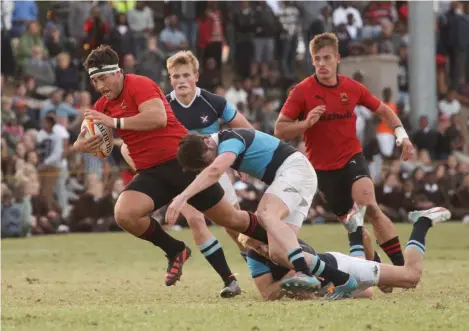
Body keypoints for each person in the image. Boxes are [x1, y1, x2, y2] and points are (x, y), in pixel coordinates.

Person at [73, 45, 268, 289]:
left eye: (103, 78)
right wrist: (83, 145)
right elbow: (80, 139)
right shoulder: (102, 105)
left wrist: (113, 122)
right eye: (94, 80)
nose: (100, 86)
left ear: (118, 72)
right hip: (151, 173)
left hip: (182, 164)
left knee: (232, 220)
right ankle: (176, 250)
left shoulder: (140, 85)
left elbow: (158, 118)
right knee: (125, 214)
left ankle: (285, 243)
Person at [274, 32, 415, 279]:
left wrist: (402, 135)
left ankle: (401, 268)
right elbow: (280, 129)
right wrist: (306, 123)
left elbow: (384, 111)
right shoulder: (302, 91)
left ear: (337, 58)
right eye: (316, 59)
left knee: (367, 205)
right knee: (353, 224)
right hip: (322, 170)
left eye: (326, 58)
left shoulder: (351, 88)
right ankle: (375, 265)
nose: (321, 64)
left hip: (352, 157)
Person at [119, 50, 253, 297]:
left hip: (212, 170)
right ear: (169, 79)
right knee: (195, 219)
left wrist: (239, 162)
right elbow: (128, 145)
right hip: (178, 174)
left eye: (185, 75)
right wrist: (141, 167)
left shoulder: (214, 102)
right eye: (174, 76)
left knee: (233, 226)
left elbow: (246, 130)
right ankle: (229, 280)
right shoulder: (160, 106)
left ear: (196, 77)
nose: (180, 80)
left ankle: (259, 268)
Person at [167, 128, 359, 296]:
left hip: (294, 170)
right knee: (278, 253)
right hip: (297, 177)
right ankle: (343, 280)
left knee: (266, 214)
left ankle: (304, 273)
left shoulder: (230, 139)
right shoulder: (225, 146)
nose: (208, 166)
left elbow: (215, 170)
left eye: (206, 162)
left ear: (207, 141)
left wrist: (182, 197)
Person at [241, 207, 451, 301]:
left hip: (339, 268)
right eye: (257, 248)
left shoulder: (290, 242)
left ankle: (422, 222)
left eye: (264, 244)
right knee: (368, 293)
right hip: (332, 284)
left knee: (410, 277)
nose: (264, 251)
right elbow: (267, 294)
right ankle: (355, 232)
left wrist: (287, 283)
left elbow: (296, 285)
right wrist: (288, 282)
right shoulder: (254, 254)